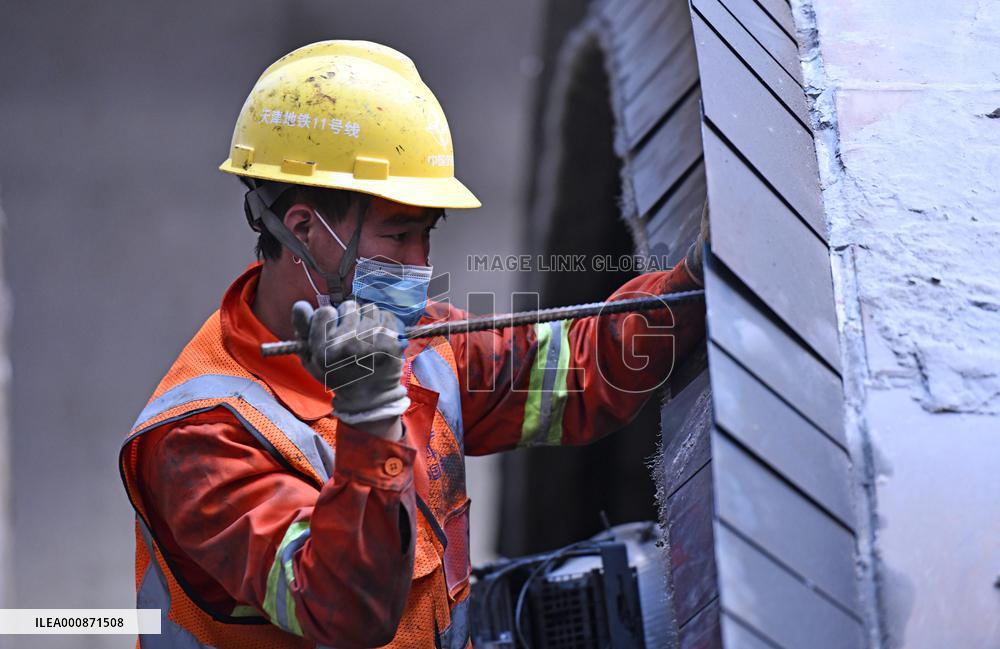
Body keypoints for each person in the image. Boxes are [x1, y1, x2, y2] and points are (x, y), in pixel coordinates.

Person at [118, 40, 708, 649]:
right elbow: (347, 613)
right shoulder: (200, 439)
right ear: (302, 229)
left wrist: (693, 283)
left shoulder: (423, 347)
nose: (420, 265)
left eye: (426, 234)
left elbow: (578, 367)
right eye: (398, 234)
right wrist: (371, 428)